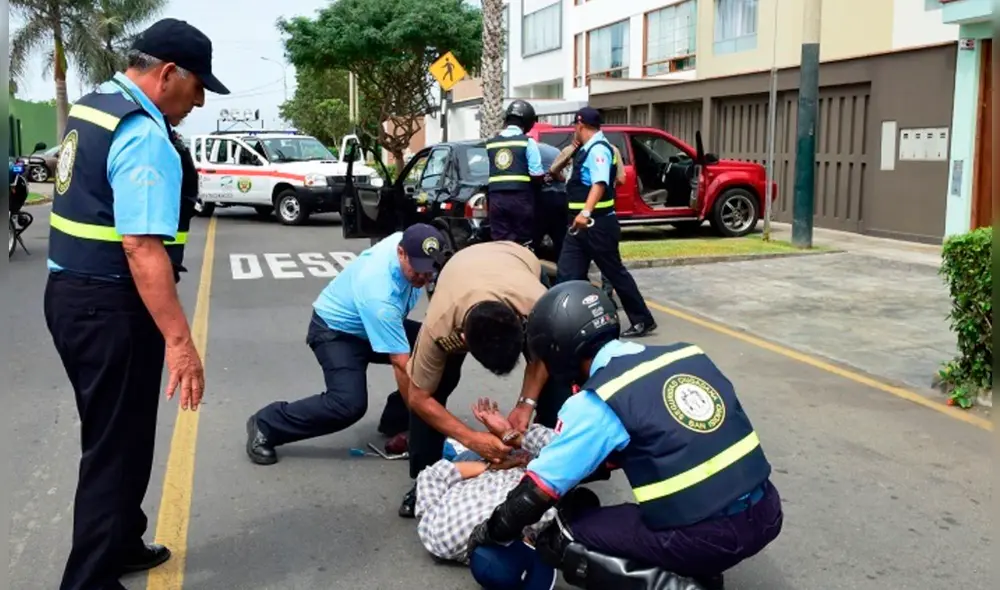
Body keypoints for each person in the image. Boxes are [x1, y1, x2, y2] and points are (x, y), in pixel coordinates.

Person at [43, 18, 228, 590]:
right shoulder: (144, 134)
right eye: (197, 87)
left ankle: (121, 541)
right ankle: (90, 580)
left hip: (74, 296)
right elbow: (142, 247)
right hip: (110, 306)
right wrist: (181, 342)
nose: (198, 102)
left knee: (120, 435)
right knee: (116, 448)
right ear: (168, 73)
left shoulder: (97, 104)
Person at [467, 281, 784, 590]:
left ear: (559, 350)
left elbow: (534, 494)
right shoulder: (687, 356)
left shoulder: (599, 399)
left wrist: (489, 532)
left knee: (560, 539)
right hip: (767, 512)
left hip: (708, 535)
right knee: (581, 505)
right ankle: (700, 572)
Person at [244, 224, 462, 465]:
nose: (423, 277)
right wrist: (424, 426)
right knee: (348, 405)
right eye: (417, 271)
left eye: (429, 271)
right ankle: (266, 424)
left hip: (372, 324)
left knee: (446, 350)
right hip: (336, 333)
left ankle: (396, 420)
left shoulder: (409, 243)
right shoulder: (379, 294)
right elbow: (402, 365)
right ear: (401, 253)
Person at [396, 240, 554, 518]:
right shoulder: (439, 326)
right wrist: (472, 439)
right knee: (435, 390)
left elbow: (544, 358)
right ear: (464, 341)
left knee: (556, 382)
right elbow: (418, 397)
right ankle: (423, 477)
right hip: (459, 271)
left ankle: (551, 470)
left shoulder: (538, 306)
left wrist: (525, 404)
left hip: (515, 259)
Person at [554, 108, 656, 338]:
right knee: (567, 274)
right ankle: (563, 322)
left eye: (575, 127)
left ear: (580, 126)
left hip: (596, 225)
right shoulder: (585, 150)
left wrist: (586, 212)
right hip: (579, 227)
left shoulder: (599, 150)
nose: (573, 130)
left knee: (615, 273)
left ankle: (642, 320)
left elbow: (599, 183)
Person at [547, 136, 626, 304]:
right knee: (585, 264)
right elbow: (554, 170)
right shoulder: (577, 150)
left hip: (590, 217)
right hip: (586, 218)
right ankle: (593, 298)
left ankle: (590, 298)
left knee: (604, 264)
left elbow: (554, 170)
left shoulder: (600, 150)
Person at [485, 100, 545, 245]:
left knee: (501, 243)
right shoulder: (527, 142)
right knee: (523, 242)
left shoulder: (491, 143)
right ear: (528, 122)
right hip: (521, 200)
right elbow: (536, 174)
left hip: (496, 200)